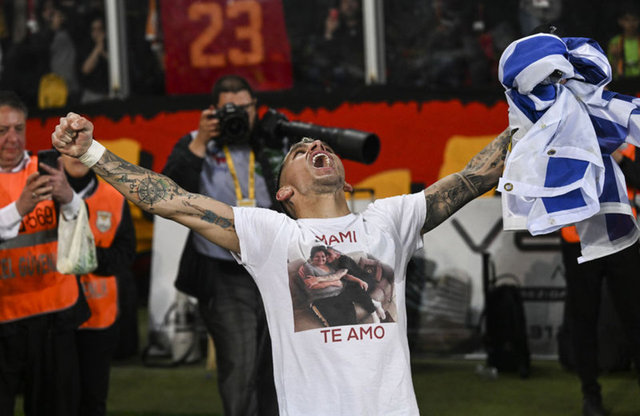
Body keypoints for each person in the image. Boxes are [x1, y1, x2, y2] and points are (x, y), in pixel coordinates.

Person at [51, 111, 511, 415]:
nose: (315, 144)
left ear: (347, 182)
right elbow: (172, 202)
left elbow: (475, 177)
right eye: (298, 151)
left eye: (321, 146)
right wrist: (91, 153)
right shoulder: (272, 235)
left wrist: (531, 120)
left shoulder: (389, 220)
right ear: (284, 192)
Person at [161, 74, 281, 416]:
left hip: (272, 267)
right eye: (230, 109)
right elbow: (169, 192)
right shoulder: (196, 142)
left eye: (245, 108)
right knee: (240, 364)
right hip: (223, 270)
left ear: (256, 108)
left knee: (278, 363)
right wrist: (201, 141)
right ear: (213, 110)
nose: (239, 116)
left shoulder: (273, 142)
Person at [0, 91, 88, 416]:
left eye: (18, 129)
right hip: (4, 317)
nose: (12, 138)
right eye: (2, 130)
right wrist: (19, 208)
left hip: (52, 315)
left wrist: (69, 198)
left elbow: (80, 226)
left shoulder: (46, 169)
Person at [559, 144, 640, 416]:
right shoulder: (565, 130)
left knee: (635, 318)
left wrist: (618, 156)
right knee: (583, 319)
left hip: (622, 236)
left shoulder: (627, 134)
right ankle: (590, 396)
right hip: (579, 238)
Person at [61, 154, 136, 416]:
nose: (75, 155)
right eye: (68, 148)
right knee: (55, 401)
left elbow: (126, 255)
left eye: (81, 147)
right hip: (54, 319)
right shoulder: (43, 195)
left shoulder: (114, 197)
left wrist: (86, 256)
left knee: (93, 401)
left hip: (99, 317)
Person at [297, 245, 384, 326]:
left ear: (337, 255)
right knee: (339, 320)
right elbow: (311, 285)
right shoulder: (309, 267)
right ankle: (374, 304)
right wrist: (333, 283)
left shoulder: (339, 262)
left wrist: (359, 281)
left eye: (324, 256)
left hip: (359, 283)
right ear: (312, 257)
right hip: (325, 298)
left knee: (355, 292)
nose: (324, 258)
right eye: (318, 256)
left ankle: (373, 309)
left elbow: (341, 275)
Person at [607, 3, 640, 80]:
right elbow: (609, 72)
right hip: (622, 81)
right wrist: (615, 57)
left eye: (634, 20)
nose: (631, 23)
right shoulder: (615, 42)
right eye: (627, 20)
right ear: (620, 21)